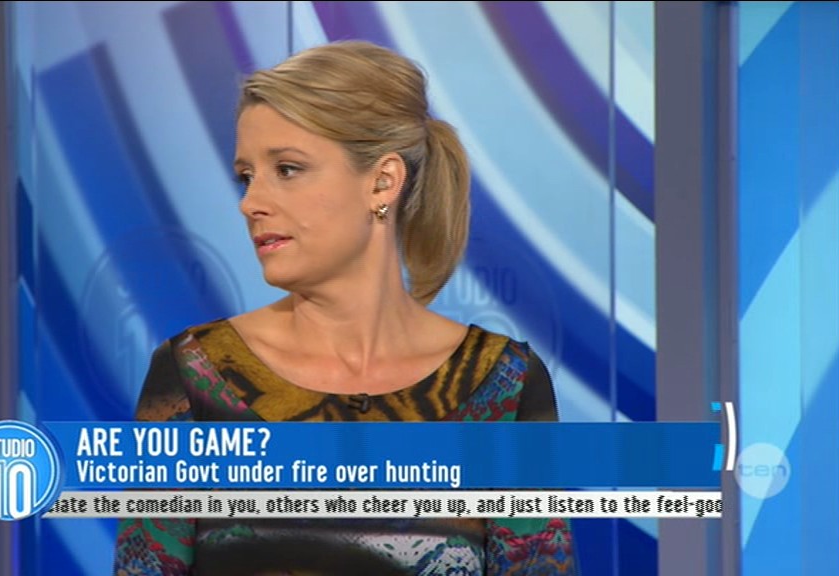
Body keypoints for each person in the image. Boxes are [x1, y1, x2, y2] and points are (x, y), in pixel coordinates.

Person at [114, 40, 578, 575]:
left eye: (287, 169)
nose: (250, 202)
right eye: (247, 176)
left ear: (382, 182)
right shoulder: (194, 373)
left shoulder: (502, 384)